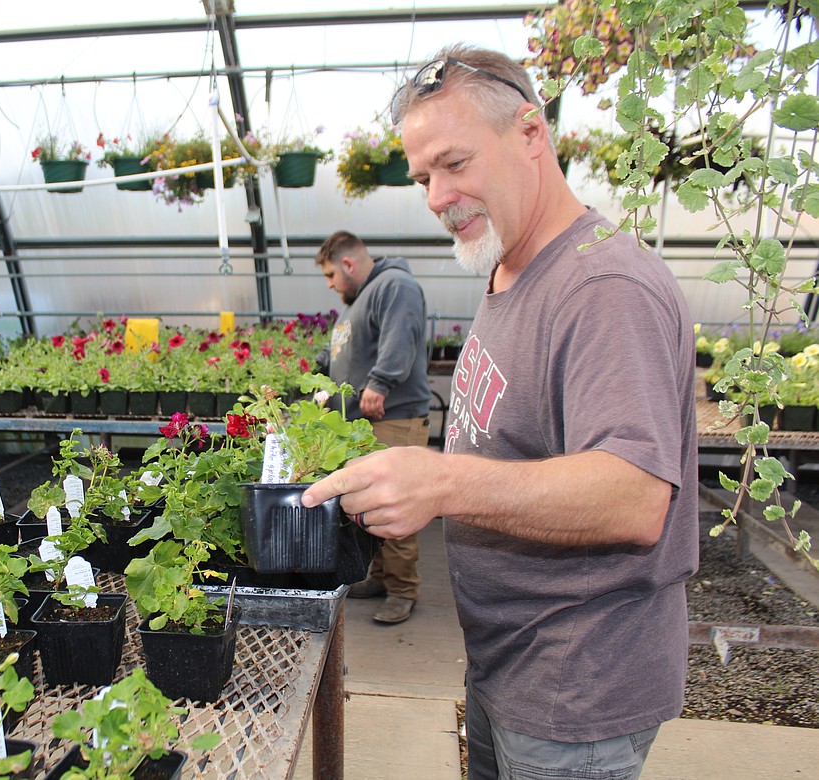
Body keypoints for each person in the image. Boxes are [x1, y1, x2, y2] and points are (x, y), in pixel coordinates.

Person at [302, 44, 698, 780]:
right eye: (423, 177)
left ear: (530, 133)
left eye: (455, 164)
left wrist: (443, 483)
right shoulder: (511, 263)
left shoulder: (602, 285)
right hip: (510, 661)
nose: (436, 197)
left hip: (576, 686)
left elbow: (637, 496)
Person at [314, 230, 431, 624]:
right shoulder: (356, 302)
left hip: (392, 417)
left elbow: (401, 337)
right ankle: (380, 577)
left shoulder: (394, 285)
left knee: (395, 504)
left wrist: (380, 382)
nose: (330, 285)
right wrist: (318, 370)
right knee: (370, 508)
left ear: (348, 264)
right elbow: (346, 350)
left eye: (331, 275)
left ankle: (403, 590)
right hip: (363, 423)